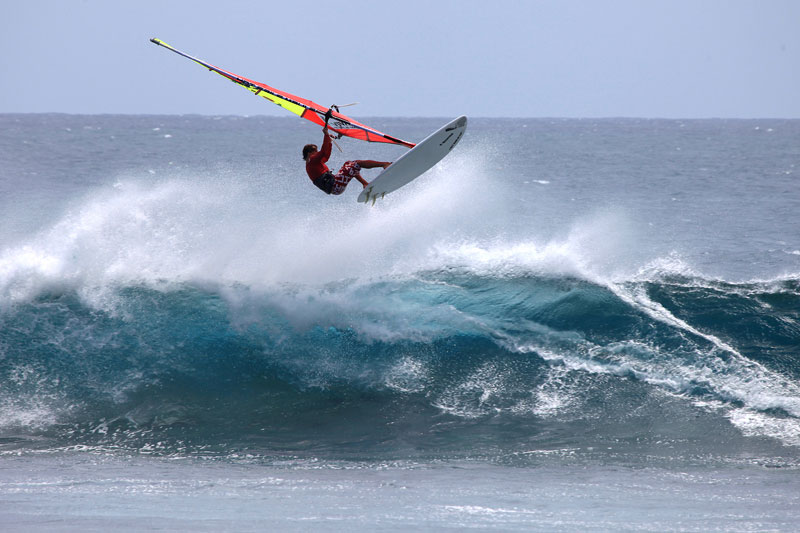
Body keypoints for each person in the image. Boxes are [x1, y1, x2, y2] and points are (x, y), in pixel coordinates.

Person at [302, 123, 391, 195]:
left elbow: (326, 155)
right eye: (315, 151)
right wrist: (326, 134)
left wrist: (329, 140)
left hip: (336, 187)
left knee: (348, 164)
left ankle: (365, 183)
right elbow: (323, 152)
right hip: (336, 185)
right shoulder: (312, 160)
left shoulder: (312, 164)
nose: (317, 152)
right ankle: (384, 164)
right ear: (309, 153)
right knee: (356, 163)